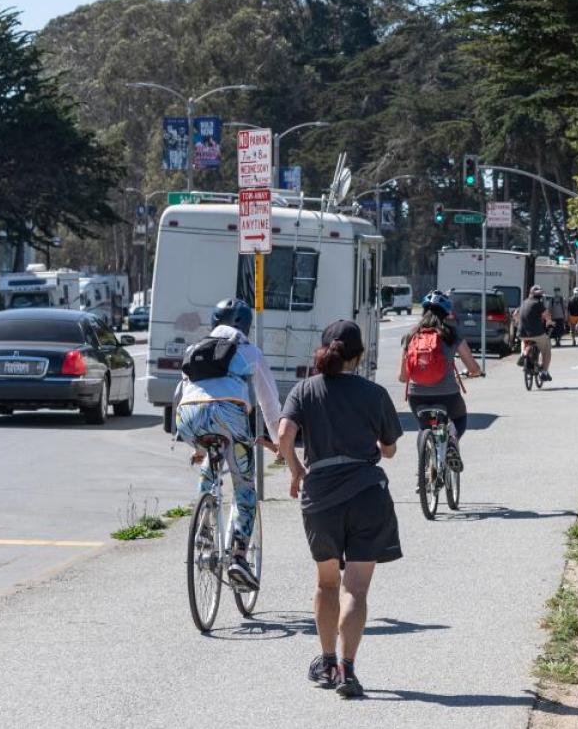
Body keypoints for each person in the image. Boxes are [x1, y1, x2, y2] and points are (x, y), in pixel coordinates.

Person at [278, 320, 403, 699]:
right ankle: (348, 670)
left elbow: (284, 435)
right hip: (367, 495)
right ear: (359, 355)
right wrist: (379, 448)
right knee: (357, 590)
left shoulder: (304, 390)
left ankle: (327, 660)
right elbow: (390, 448)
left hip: (322, 498)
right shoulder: (375, 393)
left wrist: (296, 470)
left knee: (327, 583)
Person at [175, 298, 282, 591]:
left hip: (188, 418)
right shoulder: (250, 351)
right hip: (229, 418)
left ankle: (204, 529)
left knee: (211, 460)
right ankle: (237, 556)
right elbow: (269, 405)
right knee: (244, 486)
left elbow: (181, 393)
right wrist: (279, 443)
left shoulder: (195, 349)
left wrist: (196, 446)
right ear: (245, 325)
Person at [399, 291, 481, 472]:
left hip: (417, 397)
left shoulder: (411, 335)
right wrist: (475, 372)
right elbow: (472, 366)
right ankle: (451, 440)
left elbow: (403, 377)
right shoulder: (451, 334)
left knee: (423, 428)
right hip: (448, 395)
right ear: (446, 313)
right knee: (460, 419)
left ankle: (424, 469)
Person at [517, 285, 553, 381]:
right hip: (536, 333)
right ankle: (544, 372)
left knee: (523, 340)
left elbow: (515, 314)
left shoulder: (523, 303)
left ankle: (523, 354)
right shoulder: (538, 303)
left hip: (522, 333)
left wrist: (519, 322)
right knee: (546, 349)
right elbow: (547, 315)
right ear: (540, 296)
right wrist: (549, 323)